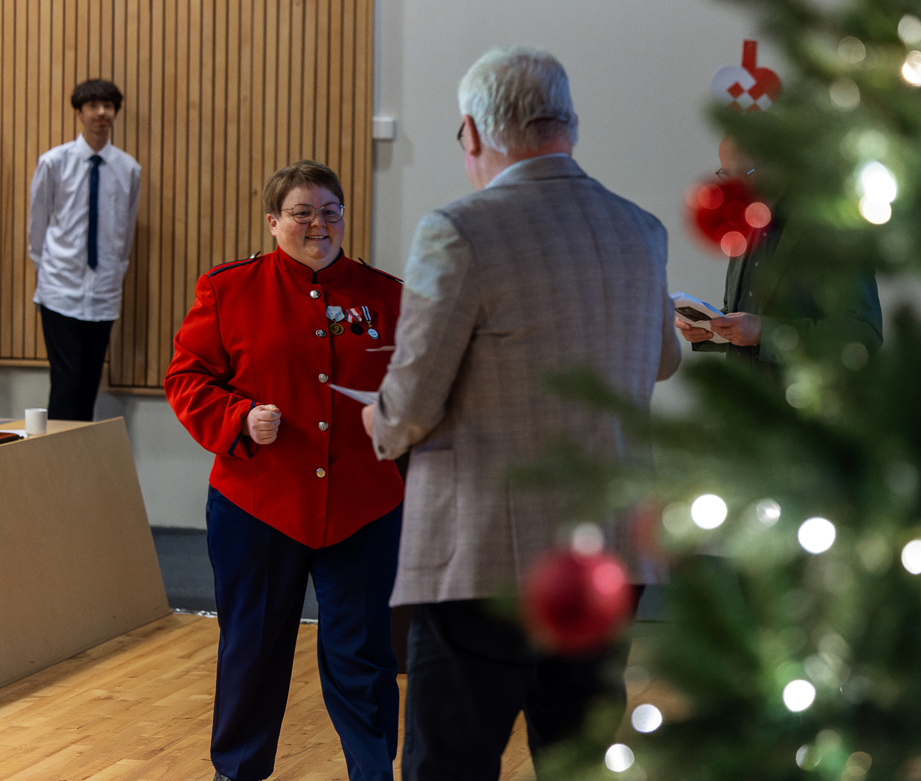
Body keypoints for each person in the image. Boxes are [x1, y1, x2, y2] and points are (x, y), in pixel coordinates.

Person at [362, 46, 681, 780]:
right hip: (609, 548)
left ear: (474, 132)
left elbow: (410, 405)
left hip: (486, 558)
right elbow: (662, 359)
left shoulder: (460, 229)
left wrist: (378, 422)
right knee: (578, 760)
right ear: (570, 123)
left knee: (450, 765)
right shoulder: (641, 229)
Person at [164, 160, 405, 781]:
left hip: (363, 507)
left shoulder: (388, 297)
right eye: (301, 213)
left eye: (330, 212)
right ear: (273, 222)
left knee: (364, 656)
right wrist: (240, 418)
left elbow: (418, 390)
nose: (318, 225)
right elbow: (186, 379)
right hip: (258, 506)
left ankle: (373, 773)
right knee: (252, 651)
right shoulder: (228, 289)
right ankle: (238, 772)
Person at [677, 136, 883, 368]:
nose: (734, 187)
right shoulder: (745, 224)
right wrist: (709, 329)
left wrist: (766, 332)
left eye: (743, 172)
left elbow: (864, 333)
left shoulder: (829, 230)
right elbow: (748, 316)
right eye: (726, 175)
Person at [28, 79, 141, 421]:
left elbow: (127, 230)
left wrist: (115, 273)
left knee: (89, 383)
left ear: (115, 113)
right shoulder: (54, 162)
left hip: (104, 291)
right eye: (93, 106)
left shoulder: (128, 169)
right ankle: (58, 454)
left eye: (108, 106)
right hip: (60, 289)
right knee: (66, 382)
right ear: (79, 112)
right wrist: (47, 272)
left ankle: (78, 453)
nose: (101, 112)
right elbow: (37, 226)